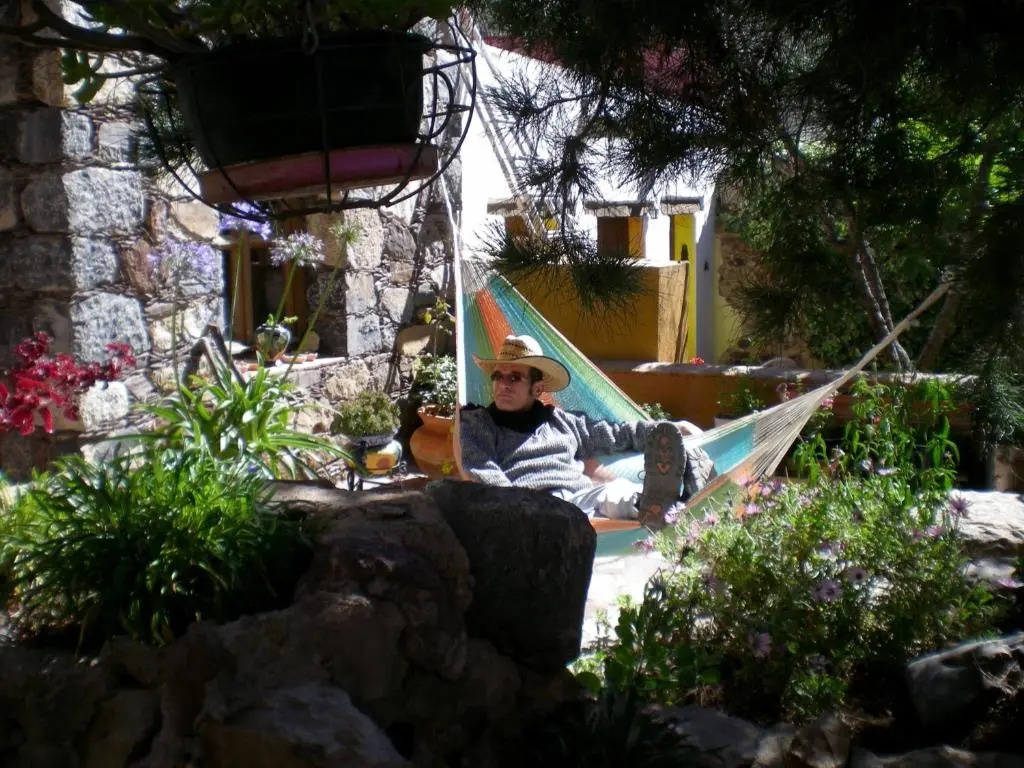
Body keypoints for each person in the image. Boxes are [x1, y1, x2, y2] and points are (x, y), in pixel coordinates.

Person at [458, 334, 712, 525]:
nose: (503, 384)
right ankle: (669, 504)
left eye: (514, 378)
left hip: (582, 498)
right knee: (606, 500)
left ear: (537, 389)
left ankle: (668, 502)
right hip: (535, 509)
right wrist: (520, 510)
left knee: (616, 493)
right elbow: (483, 471)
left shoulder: (563, 421)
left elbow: (616, 434)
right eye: (498, 376)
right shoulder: (479, 422)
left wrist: (667, 430)